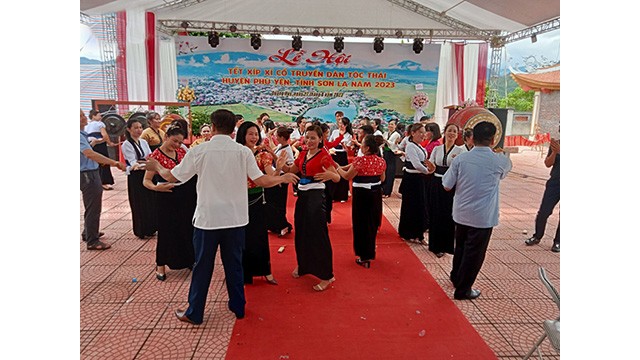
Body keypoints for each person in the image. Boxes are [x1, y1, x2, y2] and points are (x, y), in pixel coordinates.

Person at [145, 109, 298, 324]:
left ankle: (195, 312)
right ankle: (238, 307)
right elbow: (261, 180)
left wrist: (156, 166)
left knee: (203, 266)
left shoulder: (200, 151)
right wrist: (281, 179)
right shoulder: (243, 152)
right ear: (232, 128)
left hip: (208, 219)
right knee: (234, 265)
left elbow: (173, 176)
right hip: (235, 219)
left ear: (213, 126)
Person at [442, 121, 512, 300]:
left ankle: (456, 276)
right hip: (482, 216)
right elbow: (504, 172)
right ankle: (463, 289)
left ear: (472, 138)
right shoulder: (500, 161)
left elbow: (447, 185)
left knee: (461, 247)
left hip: (461, 212)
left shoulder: (461, 159)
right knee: (474, 253)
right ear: (494, 139)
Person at [280, 125, 340, 291]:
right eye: (307, 137)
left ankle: (327, 275)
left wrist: (330, 175)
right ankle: (304, 265)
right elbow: (291, 170)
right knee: (302, 232)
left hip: (316, 197)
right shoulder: (304, 154)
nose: (309, 141)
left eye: (313, 138)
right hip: (303, 196)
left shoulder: (324, 156)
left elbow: (336, 177)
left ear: (320, 139)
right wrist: (280, 164)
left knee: (318, 235)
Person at [143, 124, 196, 281]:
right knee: (167, 231)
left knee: (186, 228)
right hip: (166, 196)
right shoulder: (155, 156)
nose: (177, 145)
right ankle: (161, 264)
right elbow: (146, 181)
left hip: (185, 195)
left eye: (180, 142)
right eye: (174, 141)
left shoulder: (181, 152)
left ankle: (188, 259)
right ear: (165, 137)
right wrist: (155, 188)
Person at [235, 121, 279, 285]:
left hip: (257, 200)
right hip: (237, 200)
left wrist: (279, 169)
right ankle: (241, 272)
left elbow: (272, 176)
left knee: (259, 237)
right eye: (250, 134)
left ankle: (265, 271)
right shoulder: (236, 154)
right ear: (242, 135)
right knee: (240, 238)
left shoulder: (263, 155)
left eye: (256, 134)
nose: (254, 137)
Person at [337, 135, 386, 268]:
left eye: (362, 145)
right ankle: (370, 252)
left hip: (361, 195)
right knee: (372, 223)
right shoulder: (381, 161)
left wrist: (337, 169)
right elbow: (382, 179)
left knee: (361, 224)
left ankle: (363, 255)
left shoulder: (360, 161)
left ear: (367, 147)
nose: (360, 147)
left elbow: (347, 176)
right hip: (375, 194)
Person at [80, 109, 126, 250]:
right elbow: (89, 154)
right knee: (93, 206)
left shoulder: (83, 134)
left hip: (88, 172)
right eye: (81, 115)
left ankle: (88, 232)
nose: (84, 117)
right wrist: (115, 163)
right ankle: (92, 241)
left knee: (91, 205)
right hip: (88, 174)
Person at [427, 123, 465, 258]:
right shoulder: (437, 149)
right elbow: (431, 165)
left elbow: (462, 169)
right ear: (445, 132)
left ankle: (446, 245)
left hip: (451, 185)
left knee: (448, 213)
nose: (451, 133)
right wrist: (428, 166)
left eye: (454, 131)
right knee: (435, 212)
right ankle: (434, 244)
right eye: (449, 131)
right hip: (436, 183)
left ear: (457, 134)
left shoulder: (461, 151)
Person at [397, 123, 434, 244]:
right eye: (420, 132)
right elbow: (416, 164)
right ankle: (407, 232)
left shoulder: (419, 146)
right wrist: (427, 171)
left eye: (424, 132)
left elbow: (423, 161)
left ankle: (419, 233)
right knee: (410, 206)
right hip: (411, 179)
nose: (423, 135)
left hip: (419, 178)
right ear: (413, 133)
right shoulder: (410, 146)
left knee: (420, 206)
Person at [122, 117, 158, 239]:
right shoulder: (127, 144)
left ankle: (151, 227)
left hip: (147, 172)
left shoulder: (143, 142)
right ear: (129, 129)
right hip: (136, 175)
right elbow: (132, 161)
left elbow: (149, 156)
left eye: (140, 127)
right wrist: (142, 164)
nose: (139, 130)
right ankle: (141, 229)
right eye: (135, 128)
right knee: (139, 203)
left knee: (150, 201)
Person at [525, 137, 560, 252]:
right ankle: (537, 236)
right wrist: (555, 152)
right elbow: (548, 164)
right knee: (544, 211)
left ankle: (558, 242)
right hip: (554, 183)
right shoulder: (556, 145)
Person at [265, 126, 295, 236]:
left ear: (282, 137)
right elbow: (273, 148)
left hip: (282, 179)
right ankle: (273, 225)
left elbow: (285, 166)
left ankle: (283, 225)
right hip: (274, 176)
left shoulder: (288, 150)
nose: (276, 138)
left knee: (279, 204)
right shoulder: (280, 146)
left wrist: (271, 154)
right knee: (271, 203)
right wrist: (269, 136)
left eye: (277, 136)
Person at [85, 109, 117, 190]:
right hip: (100, 145)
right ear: (93, 116)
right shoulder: (100, 124)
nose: (100, 117)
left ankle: (95, 182)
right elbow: (105, 136)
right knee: (104, 162)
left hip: (90, 145)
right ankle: (104, 182)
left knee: (94, 163)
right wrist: (109, 143)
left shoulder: (86, 126)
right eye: (99, 115)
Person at [330, 117, 353, 203]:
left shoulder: (349, 135)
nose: (340, 125)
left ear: (346, 125)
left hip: (342, 155)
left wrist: (344, 145)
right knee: (334, 173)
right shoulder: (335, 132)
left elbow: (348, 149)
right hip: (334, 153)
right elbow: (330, 142)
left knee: (343, 174)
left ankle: (343, 195)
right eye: (339, 123)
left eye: (342, 124)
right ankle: (333, 195)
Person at [381, 119, 402, 198]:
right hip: (385, 153)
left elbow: (394, 145)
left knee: (390, 173)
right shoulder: (386, 133)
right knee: (384, 172)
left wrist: (386, 141)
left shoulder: (396, 134)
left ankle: (388, 191)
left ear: (395, 126)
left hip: (392, 153)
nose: (390, 126)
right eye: (389, 124)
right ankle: (383, 190)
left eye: (392, 124)